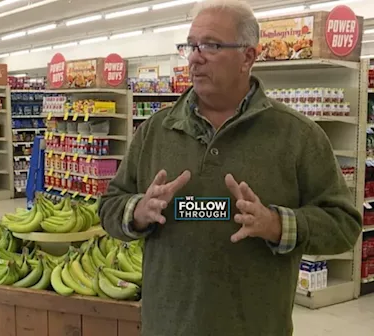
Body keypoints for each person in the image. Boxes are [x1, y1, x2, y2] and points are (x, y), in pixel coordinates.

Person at [99, 0, 362, 335]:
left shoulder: (298, 136)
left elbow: (343, 225)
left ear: (248, 57)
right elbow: (109, 206)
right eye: (191, 45)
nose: (195, 56)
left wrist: (276, 225)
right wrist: (137, 211)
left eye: (211, 45)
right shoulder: (154, 132)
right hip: (167, 326)